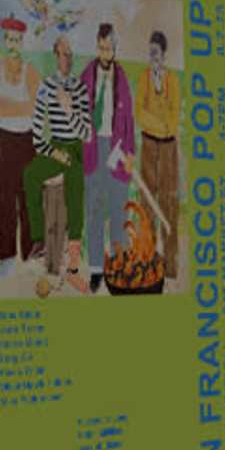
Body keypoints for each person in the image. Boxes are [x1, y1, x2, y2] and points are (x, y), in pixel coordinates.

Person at [29, 23, 93, 292]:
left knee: (75, 185)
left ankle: (74, 267)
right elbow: (35, 132)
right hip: (56, 147)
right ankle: (39, 240)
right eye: (63, 54)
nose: (67, 59)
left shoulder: (79, 89)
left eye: (71, 55)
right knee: (30, 175)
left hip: (74, 147)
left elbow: (86, 133)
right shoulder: (46, 87)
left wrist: (69, 110)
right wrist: (53, 152)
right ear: (55, 55)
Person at [0, 9, 40, 275]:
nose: (13, 44)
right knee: (5, 198)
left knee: (29, 196)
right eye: (9, 39)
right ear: (5, 40)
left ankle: (30, 252)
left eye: (18, 39)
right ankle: (7, 255)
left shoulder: (30, 72)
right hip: (4, 138)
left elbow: (35, 109)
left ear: (23, 41)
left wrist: (8, 105)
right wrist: (19, 107)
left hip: (28, 139)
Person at [85, 18, 140, 286]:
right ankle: (97, 268)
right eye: (101, 48)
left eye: (109, 48)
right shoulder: (88, 74)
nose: (105, 53)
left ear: (115, 49)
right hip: (94, 150)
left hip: (116, 150)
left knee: (118, 211)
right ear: (97, 47)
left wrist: (129, 153)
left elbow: (128, 119)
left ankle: (119, 264)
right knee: (94, 211)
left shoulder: (122, 78)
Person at [135, 23, 182, 284]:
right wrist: (159, 125)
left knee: (169, 202)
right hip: (149, 144)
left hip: (169, 148)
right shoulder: (143, 78)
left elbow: (174, 119)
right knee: (147, 202)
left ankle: (170, 265)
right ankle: (148, 261)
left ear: (163, 54)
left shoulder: (172, 80)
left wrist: (163, 126)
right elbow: (139, 113)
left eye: (156, 52)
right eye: (150, 52)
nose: (153, 56)